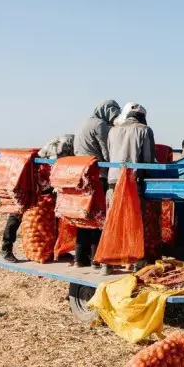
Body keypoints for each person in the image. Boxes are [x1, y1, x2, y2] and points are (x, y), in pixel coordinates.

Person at [0, 134, 76, 264]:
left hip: (46, 195)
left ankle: (56, 250)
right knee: (16, 216)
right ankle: (6, 248)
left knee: (55, 220)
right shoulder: (37, 159)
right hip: (28, 191)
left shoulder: (61, 157)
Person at [73, 100, 121, 273]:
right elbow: (108, 151)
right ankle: (96, 259)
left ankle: (79, 257)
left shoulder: (85, 122)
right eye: (113, 115)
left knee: (84, 216)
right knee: (98, 217)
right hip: (96, 174)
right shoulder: (100, 124)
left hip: (81, 173)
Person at [107, 103, 158, 269]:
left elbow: (109, 154)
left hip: (113, 181)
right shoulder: (144, 130)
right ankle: (136, 260)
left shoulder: (113, 131)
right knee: (134, 221)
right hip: (132, 183)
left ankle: (108, 263)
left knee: (113, 221)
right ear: (142, 117)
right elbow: (148, 161)